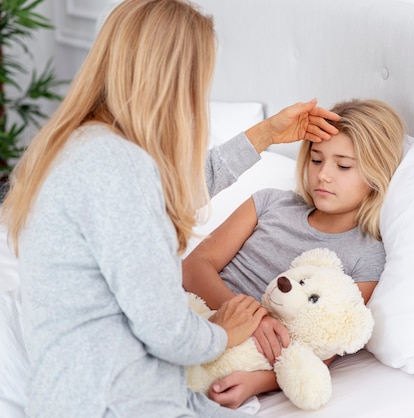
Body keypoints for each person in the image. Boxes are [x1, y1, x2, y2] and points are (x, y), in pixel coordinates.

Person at [0, 0, 339, 417]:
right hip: (118, 400)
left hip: (75, 390)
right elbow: (167, 332)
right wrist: (220, 332)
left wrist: (264, 135)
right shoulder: (118, 168)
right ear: (176, 83)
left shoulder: (83, 146)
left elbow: (170, 194)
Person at [183, 98, 406, 409]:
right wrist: (252, 318)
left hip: (240, 357)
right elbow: (194, 266)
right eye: (316, 160)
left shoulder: (366, 255)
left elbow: (323, 346)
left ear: (376, 174)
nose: (323, 175)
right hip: (191, 317)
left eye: (343, 165)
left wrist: (256, 382)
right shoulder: (269, 203)